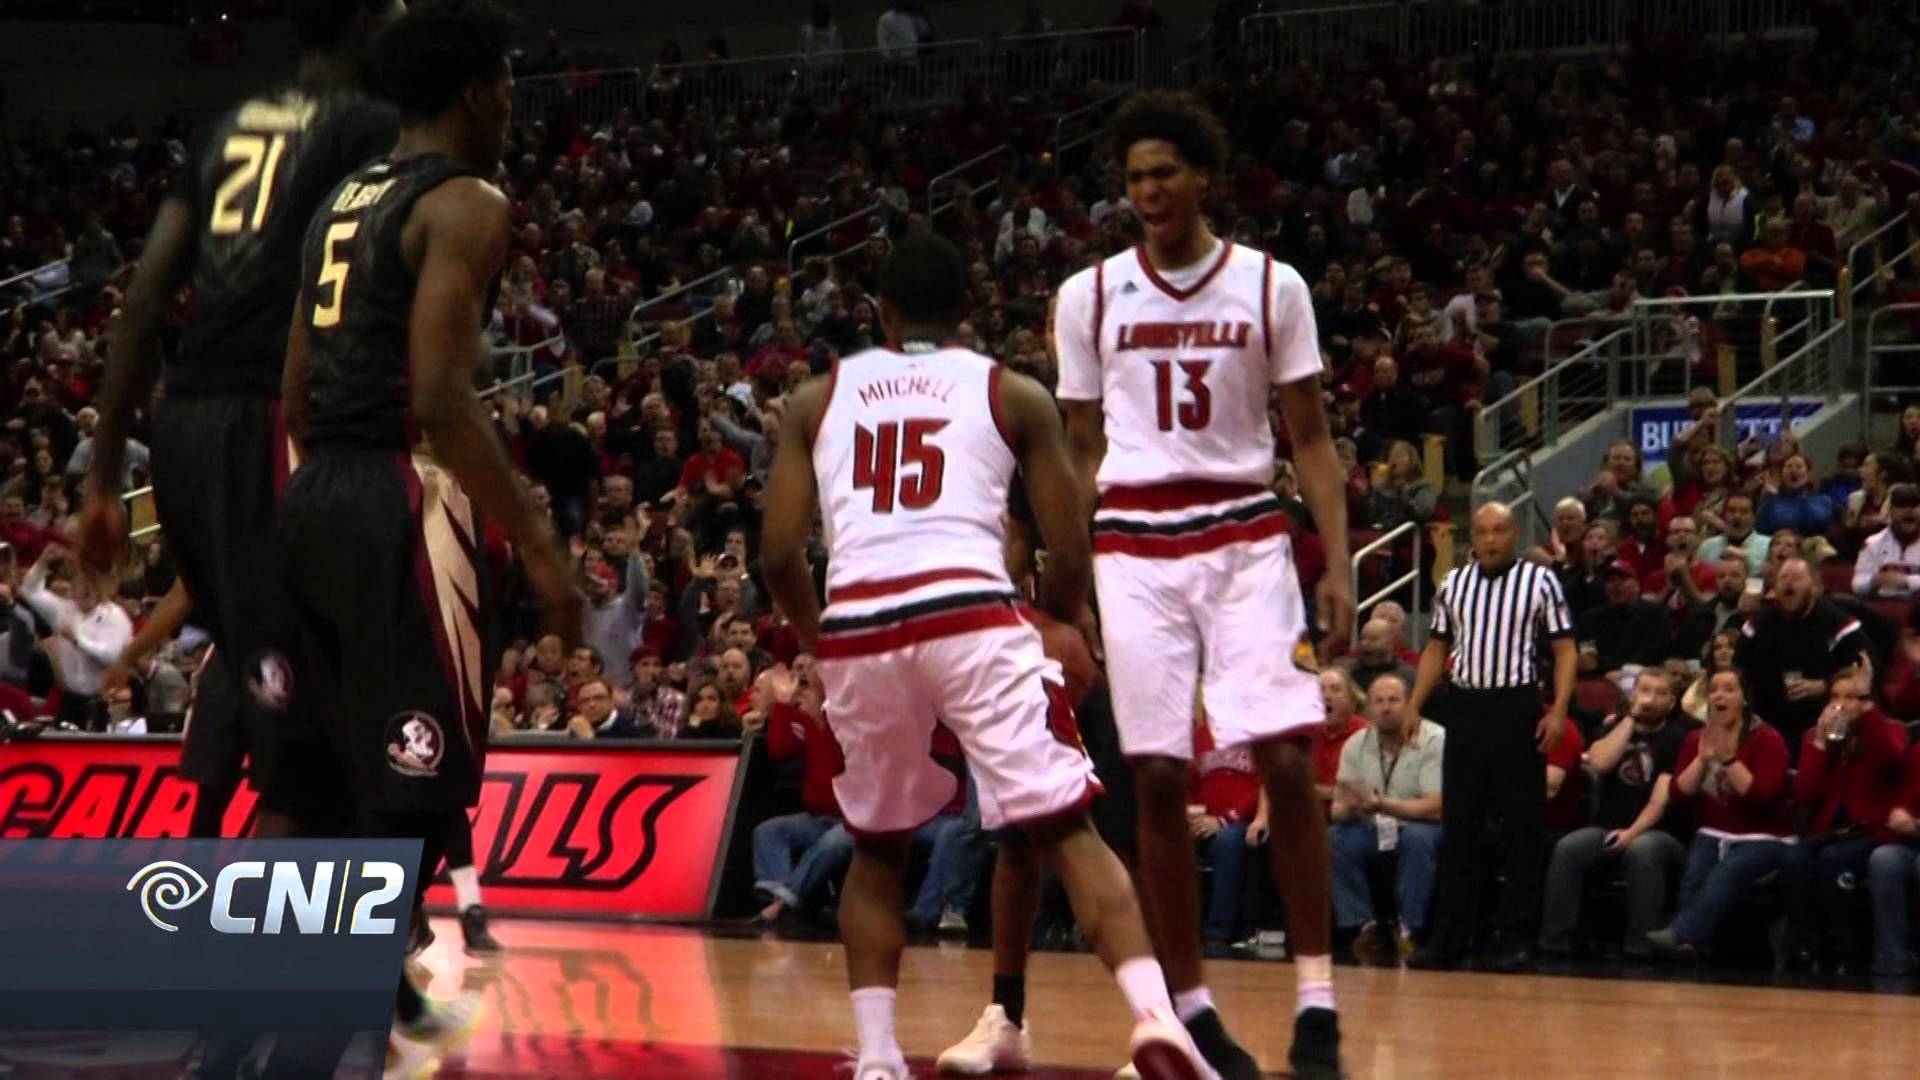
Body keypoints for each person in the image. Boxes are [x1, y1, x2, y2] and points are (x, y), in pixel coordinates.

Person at [758, 233, 1208, 1080]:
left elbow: (779, 553)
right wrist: (1063, 618)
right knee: (1068, 826)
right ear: (966, 311)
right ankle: (1156, 1019)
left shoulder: (816, 398)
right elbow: (1069, 539)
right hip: (969, 610)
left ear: (879, 313)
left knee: (877, 847)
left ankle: (882, 1057)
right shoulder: (1015, 392)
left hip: (860, 622)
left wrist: (823, 643)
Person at [277, 0, 580, 1065]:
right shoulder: (467, 201)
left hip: (311, 497)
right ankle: (357, 1009)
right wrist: (538, 545)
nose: (511, 104)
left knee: (327, 775)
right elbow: (445, 398)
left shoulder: (335, 201)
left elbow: (298, 397)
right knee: (417, 774)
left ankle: (358, 997)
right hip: (399, 494)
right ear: (476, 91)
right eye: (507, 84)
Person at [1052, 90, 1352, 1080]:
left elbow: (1308, 437)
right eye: (1135, 178)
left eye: (1165, 173)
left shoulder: (1273, 286)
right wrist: (1069, 579)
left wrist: (1337, 562)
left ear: (1204, 179)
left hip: (1248, 540)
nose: (1149, 191)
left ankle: (1317, 1001)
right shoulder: (1088, 297)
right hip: (1134, 546)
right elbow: (1079, 448)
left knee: (1291, 760)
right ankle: (1189, 1012)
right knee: (1159, 778)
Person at [77, 0, 404, 839]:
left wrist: (107, 478)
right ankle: (282, 965)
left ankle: (325, 954)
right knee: (318, 758)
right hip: (272, 421)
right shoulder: (370, 125)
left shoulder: (228, 126)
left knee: (294, 719)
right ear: (364, 23)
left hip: (186, 429)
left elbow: (147, 293)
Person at [1407, 503, 1576, 973]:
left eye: (1499, 530)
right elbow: (1437, 646)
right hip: (1466, 706)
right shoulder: (1453, 583)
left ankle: (1516, 935)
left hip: (1517, 706)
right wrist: (1414, 704)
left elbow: (1565, 648)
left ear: (1514, 533)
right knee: (1459, 826)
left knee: (1522, 827)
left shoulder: (1540, 581)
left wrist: (1558, 710)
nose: (1489, 540)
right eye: (1481, 531)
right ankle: (1451, 936)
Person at [1538, 668, 1693, 958]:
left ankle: (1640, 947)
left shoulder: (1679, 737)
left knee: (1643, 850)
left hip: (1660, 832)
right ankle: (1556, 943)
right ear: (1632, 694)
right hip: (1608, 826)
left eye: (1661, 694)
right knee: (1569, 848)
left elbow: (1660, 801)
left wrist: (1631, 834)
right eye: (1645, 691)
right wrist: (1631, 719)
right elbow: (1600, 763)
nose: (1651, 699)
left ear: (1672, 702)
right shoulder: (1615, 728)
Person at [1647, 670, 1792, 960]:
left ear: (1744, 698)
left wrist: (1728, 760)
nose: (1720, 695)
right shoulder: (1694, 739)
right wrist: (1702, 759)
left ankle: (1681, 934)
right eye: (1714, 690)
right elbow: (1678, 796)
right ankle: (1693, 950)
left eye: (1729, 689)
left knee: (1730, 870)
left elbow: (1760, 799)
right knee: (1695, 873)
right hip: (1714, 831)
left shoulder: (1769, 739)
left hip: (1766, 837)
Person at [1783, 666, 1908, 974]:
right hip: (1830, 830)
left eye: (1850, 696)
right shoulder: (1816, 736)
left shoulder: (1887, 730)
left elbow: (1891, 758)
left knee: (1833, 860)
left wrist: (1867, 711)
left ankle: (1844, 952)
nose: (1841, 704)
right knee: (1794, 857)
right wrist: (1821, 746)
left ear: (1865, 699)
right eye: (1835, 697)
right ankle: (1805, 947)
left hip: (1870, 829)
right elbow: (1805, 794)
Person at [1329, 672, 1444, 965]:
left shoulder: (1434, 739)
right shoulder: (1356, 744)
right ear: (1368, 709)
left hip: (1424, 827)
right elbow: (1337, 810)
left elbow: (1436, 806)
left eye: (1394, 700)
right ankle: (1364, 927)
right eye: (1378, 701)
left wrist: (1386, 805)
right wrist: (1354, 807)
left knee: (1417, 837)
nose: (1386, 707)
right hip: (1374, 827)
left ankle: (1409, 929)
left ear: (1409, 704)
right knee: (1336, 837)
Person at [1735, 558, 1870, 757]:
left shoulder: (1838, 623)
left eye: (1797, 578)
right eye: (1783, 578)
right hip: (1766, 722)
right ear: (1774, 588)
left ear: (1814, 586)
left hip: (1822, 723)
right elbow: (1738, 670)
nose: (1789, 583)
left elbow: (1864, 668)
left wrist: (1824, 685)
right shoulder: (1759, 624)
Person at [21, 548, 134, 732]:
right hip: (69, 700)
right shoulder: (62, 609)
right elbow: (29, 591)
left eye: (91, 584)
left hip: (102, 701)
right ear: (73, 586)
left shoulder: (115, 616)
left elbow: (111, 656)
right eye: (81, 583)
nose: (86, 589)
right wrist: (42, 563)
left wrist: (77, 640)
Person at [1852, 483, 1920, 598]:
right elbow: (1857, 584)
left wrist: (1906, 582)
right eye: (1902, 506)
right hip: (1881, 607)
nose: (1909, 511)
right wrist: (1875, 580)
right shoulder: (1873, 543)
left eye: (1914, 506)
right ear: (1891, 511)